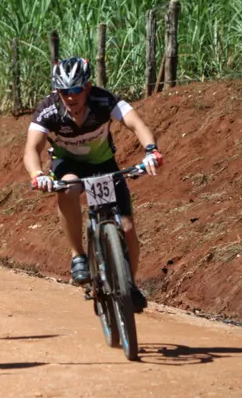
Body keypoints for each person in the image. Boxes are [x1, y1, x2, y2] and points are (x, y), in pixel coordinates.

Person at [22, 57, 163, 313]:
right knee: (69, 187)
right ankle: (78, 255)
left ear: (87, 87)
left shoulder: (104, 100)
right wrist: (37, 173)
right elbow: (32, 148)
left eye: (76, 89)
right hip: (68, 165)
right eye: (64, 91)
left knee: (128, 227)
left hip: (103, 164)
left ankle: (129, 284)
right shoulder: (48, 110)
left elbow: (137, 124)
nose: (70, 97)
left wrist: (151, 151)